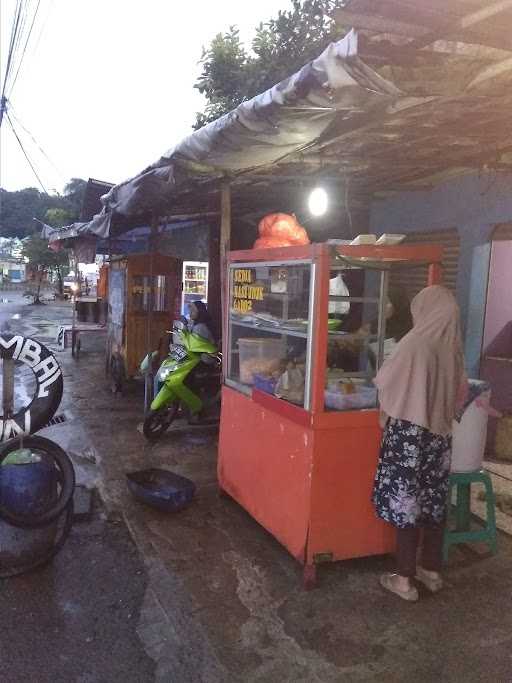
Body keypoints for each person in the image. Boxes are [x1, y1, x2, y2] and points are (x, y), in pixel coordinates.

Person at [372, 285, 467, 602]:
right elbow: (460, 394)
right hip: (438, 438)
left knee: (406, 503)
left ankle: (403, 579)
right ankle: (431, 570)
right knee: (433, 502)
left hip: (409, 436)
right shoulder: (452, 346)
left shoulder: (414, 343)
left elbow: (385, 380)